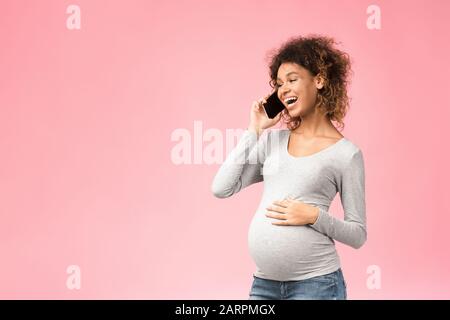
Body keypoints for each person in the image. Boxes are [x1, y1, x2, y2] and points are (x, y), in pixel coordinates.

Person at [211, 35, 366, 300]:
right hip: (264, 284)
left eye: (292, 80)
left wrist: (314, 216)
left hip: (317, 286)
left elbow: (358, 234)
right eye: (279, 84)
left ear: (319, 80)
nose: (283, 90)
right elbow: (221, 188)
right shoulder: (273, 142)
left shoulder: (346, 154)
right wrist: (254, 130)